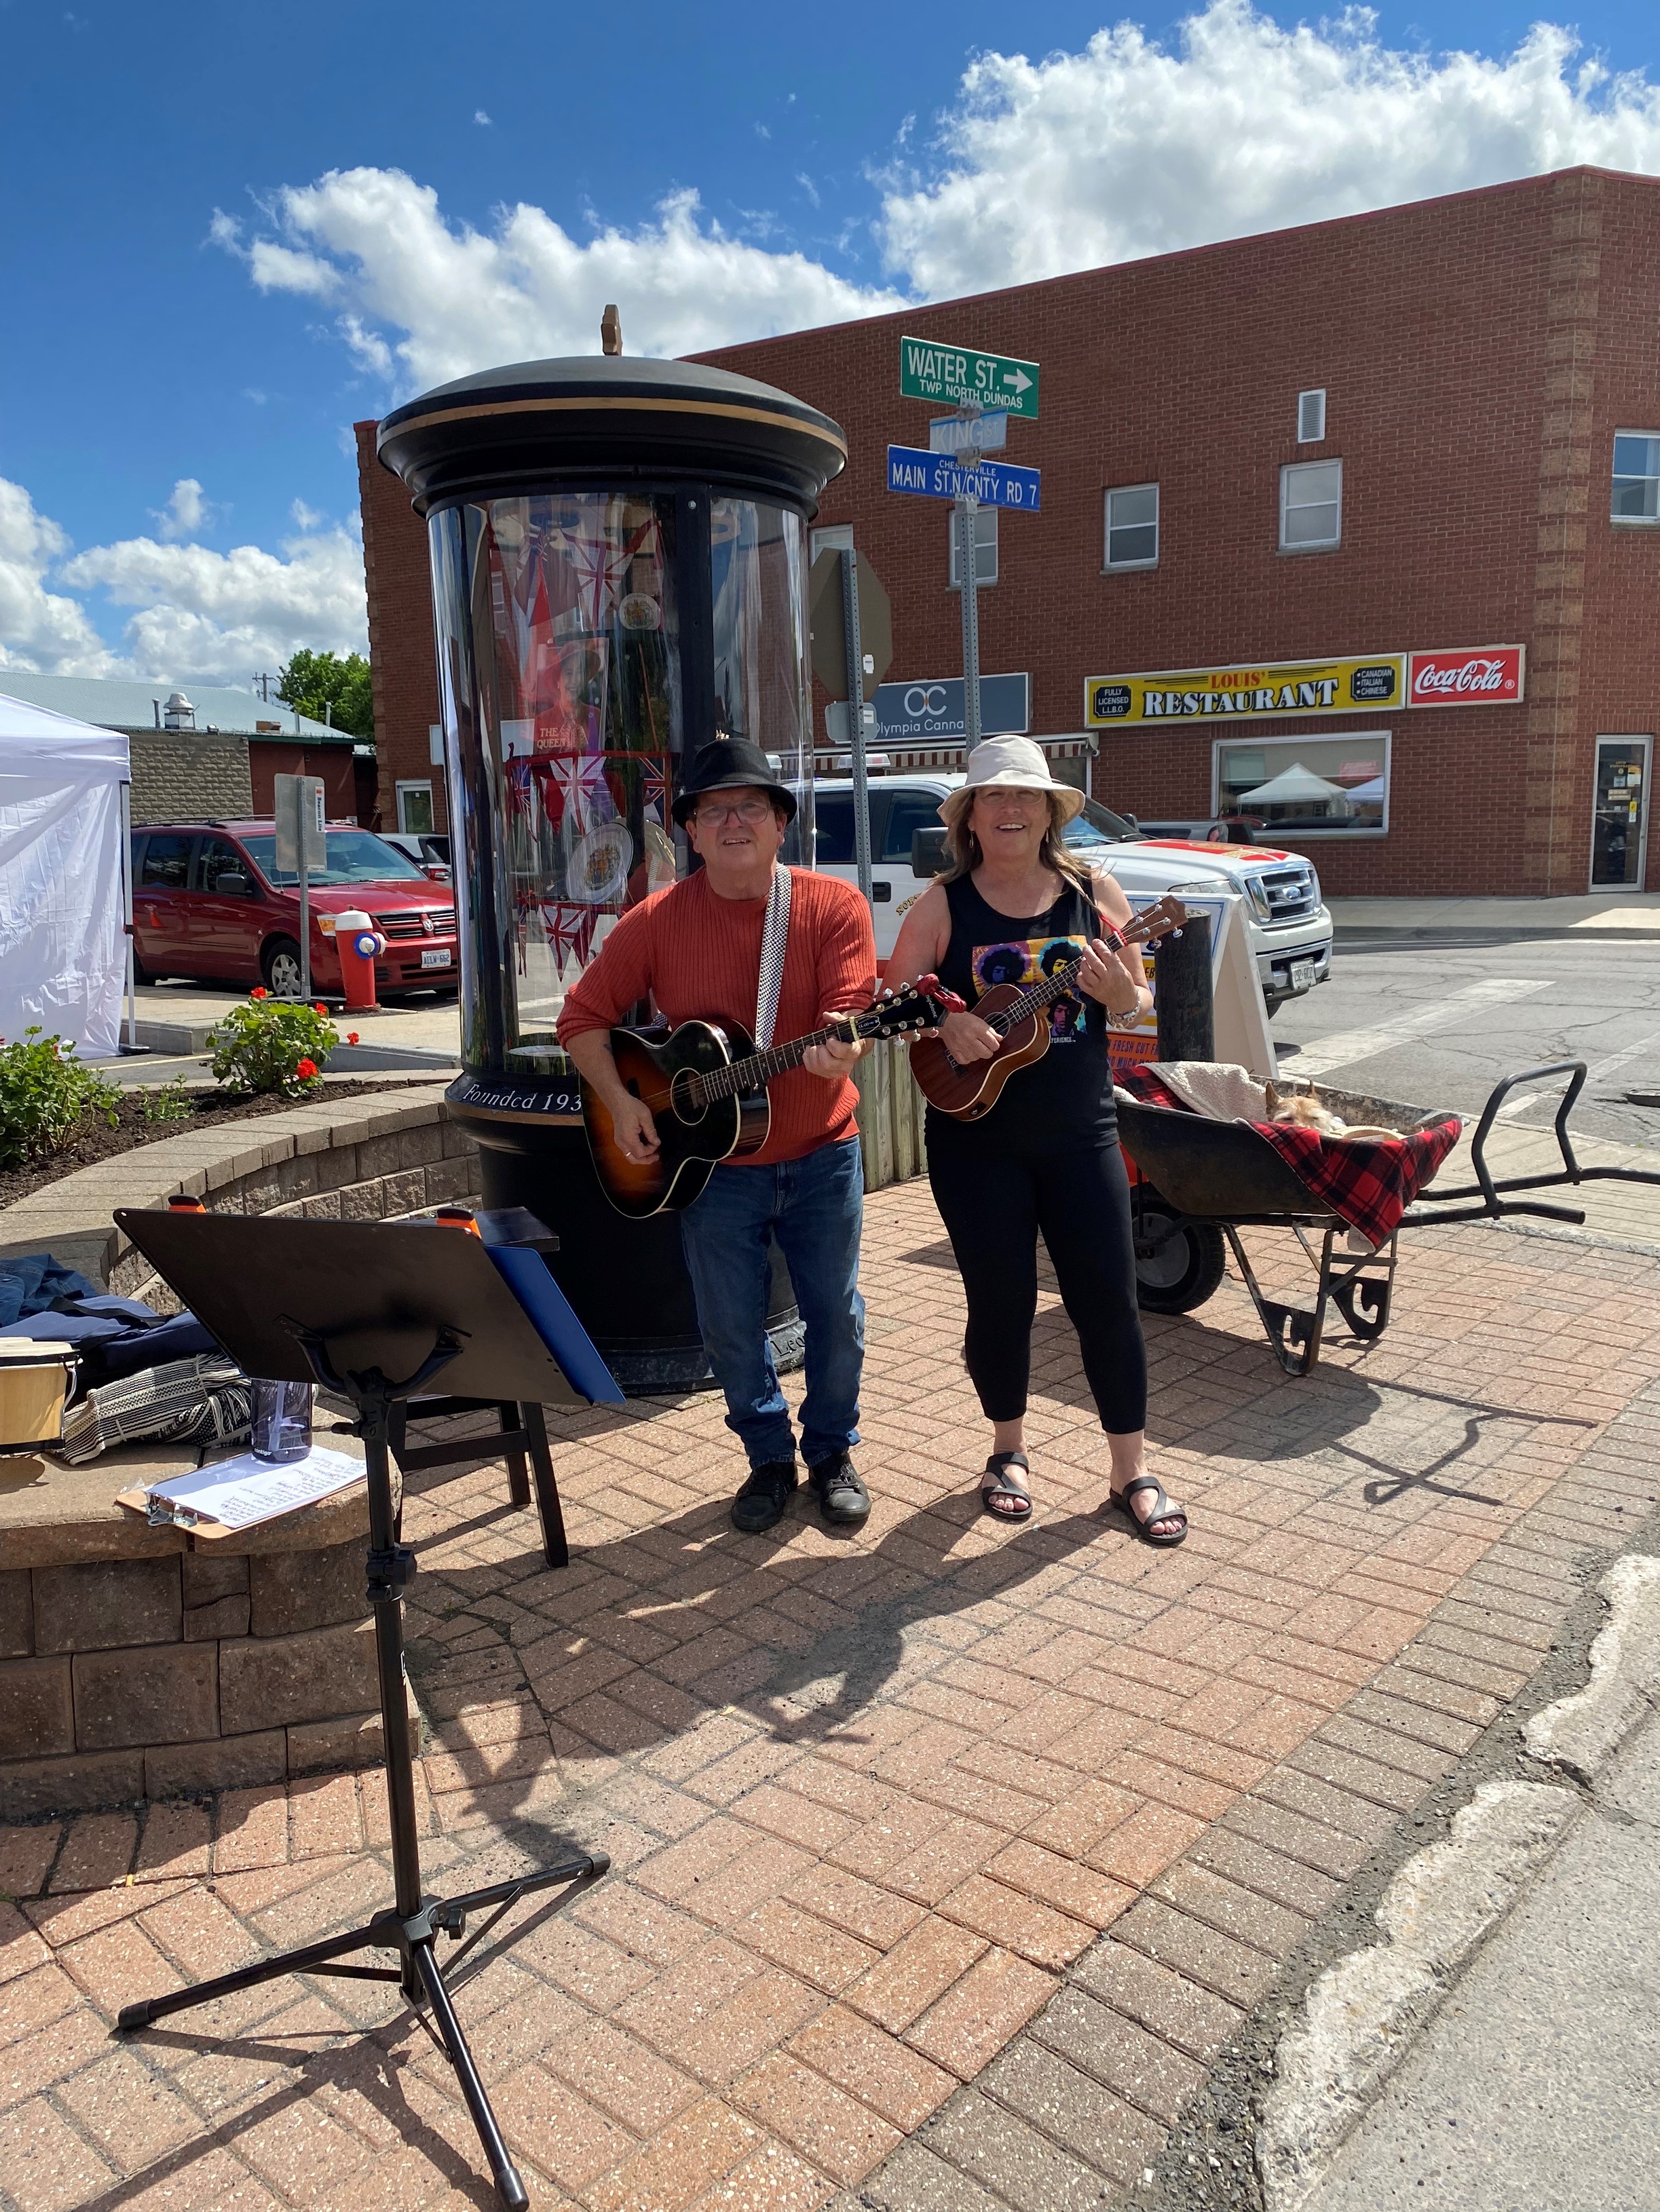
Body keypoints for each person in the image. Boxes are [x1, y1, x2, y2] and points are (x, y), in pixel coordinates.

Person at [559, 737, 878, 1534]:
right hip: (712, 1170)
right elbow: (581, 1019)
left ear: (780, 826)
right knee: (729, 1325)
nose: (733, 821)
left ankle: (832, 1451)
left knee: (835, 1315)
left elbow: (849, 1008)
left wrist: (847, 1041)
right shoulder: (657, 920)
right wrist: (622, 1101)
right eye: (714, 809)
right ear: (691, 833)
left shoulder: (831, 906)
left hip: (820, 1153)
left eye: (751, 807)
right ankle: (768, 1456)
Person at [884, 736, 1186, 1543]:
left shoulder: (1095, 893)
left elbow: (1132, 1004)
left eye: (1026, 797)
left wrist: (1121, 987)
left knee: (1107, 1302)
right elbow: (897, 990)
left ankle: (1131, 1469)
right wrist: (949, 1017)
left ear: (1050, 812)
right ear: (970, 819)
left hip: (1078, 1132)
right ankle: (1007, 1451)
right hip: (972, 1137)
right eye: (993, 798)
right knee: (1000, 1301)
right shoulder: (945, 904)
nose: (1010, 809)